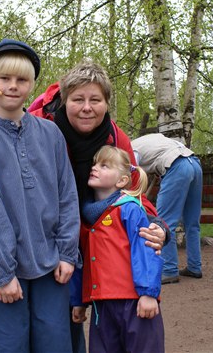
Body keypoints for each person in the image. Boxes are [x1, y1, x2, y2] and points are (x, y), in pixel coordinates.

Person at [0, 60, 168, 353]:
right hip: (42, 243)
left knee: (60, 336)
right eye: (78, 99)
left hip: (77, 247)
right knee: (25, 335)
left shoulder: (114, 139)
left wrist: (158, 226)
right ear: (63, 100)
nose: (87, 108)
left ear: (106, 104)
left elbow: (132, 191)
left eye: (95, 100)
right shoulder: (36, 125)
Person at [0, 39, 80, 352]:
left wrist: (67, 253)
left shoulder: (50, 134)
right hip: (4, 267)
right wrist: (2, 274)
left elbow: (67, 195)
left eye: (22, 79)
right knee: (9, 346)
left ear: (31, 85)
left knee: (55, 345)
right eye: (5, 78)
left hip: (51, 264)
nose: (13, 86)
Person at [72, 146, 164, 353]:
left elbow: (146, 249)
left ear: (122, 181)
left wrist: (148, 293)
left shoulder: (130, 209)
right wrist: (79, 300)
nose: (95, 168)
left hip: (134, 301)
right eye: (95, 163)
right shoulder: (87, 217)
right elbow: (81, 259)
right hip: (101, 305)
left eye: (104, 165)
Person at [132, 133, 203, 284]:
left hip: (176, 166)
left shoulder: (130, 150)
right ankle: (195, 267)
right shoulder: (152, 138)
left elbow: (134, 176)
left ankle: (169, 270)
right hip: (194, 163)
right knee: (192, 223)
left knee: (164, 223)